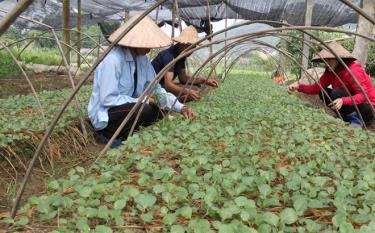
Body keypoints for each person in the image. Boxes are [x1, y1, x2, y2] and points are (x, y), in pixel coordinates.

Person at [88, 14, 196, 147]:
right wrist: (144, 100)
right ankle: (106, 135)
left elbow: (156, 90)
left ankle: (128, 132)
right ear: (135, 42)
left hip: (129, 109)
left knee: (161, 108)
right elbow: (108, 99)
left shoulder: (143, 61)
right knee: (143, 108)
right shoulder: (113, 61)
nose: (150, 47)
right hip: (106, 115)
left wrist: (181, 107)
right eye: (147, 43)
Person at [287, 41, 375, 128]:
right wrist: (299, 87)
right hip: (353, 104)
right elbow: (316, 88)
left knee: (336, 93)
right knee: (323, 91)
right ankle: (346, 118)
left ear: (339, 59)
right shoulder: (330, 72)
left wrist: (343, 100)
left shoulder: (353, 71)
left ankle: (356, 120)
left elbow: (364, 95)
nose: (326, 63)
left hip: (368, 107)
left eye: (330, 59)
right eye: (325, 60)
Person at [152, 25, 219, 102]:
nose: (191, 50)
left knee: (195, 88)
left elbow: (183, 78)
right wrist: (187, 91)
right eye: (188, 46)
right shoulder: (169, 56)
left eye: (193, 47)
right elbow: (168, 85)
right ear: (181, 44)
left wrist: (204, 80)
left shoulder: (181, 56)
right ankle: (175, 102)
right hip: (154, 89)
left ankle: (176, 101)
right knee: (190, 91)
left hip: (163, 86)